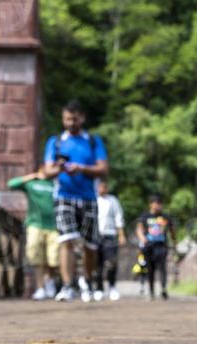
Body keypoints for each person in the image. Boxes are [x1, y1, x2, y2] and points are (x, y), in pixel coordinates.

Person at [44, 99, 109, 303]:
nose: (70, 123)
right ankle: (67, 285)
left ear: (82, 118)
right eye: (66, 119)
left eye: (74, 119)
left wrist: (81, 168)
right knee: (66, 241)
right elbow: (47, 171)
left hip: (88, 198)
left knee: (90, 245)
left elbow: (103, 169)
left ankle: (87, 281)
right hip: (64, 197)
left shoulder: (93, 141)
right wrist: (60, 168)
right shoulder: (55, 142)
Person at [7, 168, 59, 300]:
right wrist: (33, 176)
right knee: (35, 256)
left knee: (54, 258)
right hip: (35, 224)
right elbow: (11, 184)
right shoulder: (32, 184)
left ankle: (50, 281)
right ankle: (40, 288)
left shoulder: (56, 184)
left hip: (54, 225)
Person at [136, 194, 175, 301]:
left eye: (160, 203)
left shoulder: (165, 217)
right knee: (150, 270)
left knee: (162, 269)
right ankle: (151, 292)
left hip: (162, 246)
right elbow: (139, 229)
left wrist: (174, 241)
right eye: (156, 203)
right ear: (151, 204)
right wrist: (142, 238)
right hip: (149, 246)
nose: (158, 206)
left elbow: (172, 230)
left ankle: (163, 289)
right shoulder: (145, 216)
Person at [93, 178, 125, 301]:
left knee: (111, 262)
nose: (103, 189)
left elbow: (118, 217)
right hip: (96, 235)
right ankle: (99, 288)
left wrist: (121, 235)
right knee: (97, 264)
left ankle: (112, 286)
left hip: (110, 234)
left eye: (105, 186)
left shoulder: (113, 200)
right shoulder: (93, 199)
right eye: (101, 186)